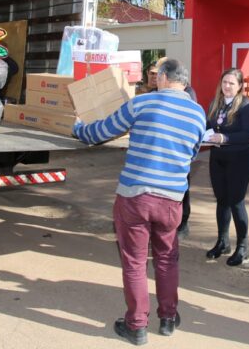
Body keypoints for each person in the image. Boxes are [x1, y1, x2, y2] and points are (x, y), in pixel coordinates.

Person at [74, 59, 205, 346]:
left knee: (134, 262)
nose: (155, 79)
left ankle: (137, 326)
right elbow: (193, 154)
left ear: (166, 78)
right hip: (172, 200)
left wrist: (78, 128)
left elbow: (101, 131)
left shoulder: (142, 103)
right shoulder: (198, 114)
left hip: (136, 196)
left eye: (158, 75)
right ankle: (168, 318)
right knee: (167, 258)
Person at [205, 68, 249, 267]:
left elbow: (247, 133)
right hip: (218, 158)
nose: (227, 86)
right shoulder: (215, 103)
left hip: (240, 160)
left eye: (231, 83)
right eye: (224, 82)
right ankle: (222, 242)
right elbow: (209, 125)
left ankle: (243, 246)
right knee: (222, 200)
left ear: (240, 86)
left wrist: (225, 138)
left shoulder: (245, 105)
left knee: (236, 202)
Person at [153, 56, 198, 239]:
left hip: (178, 151)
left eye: (157, 74)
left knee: (181, 191)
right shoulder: (155, 92)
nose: (155, 78)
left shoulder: (188, 92)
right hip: (161, 152)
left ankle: (182, 223)